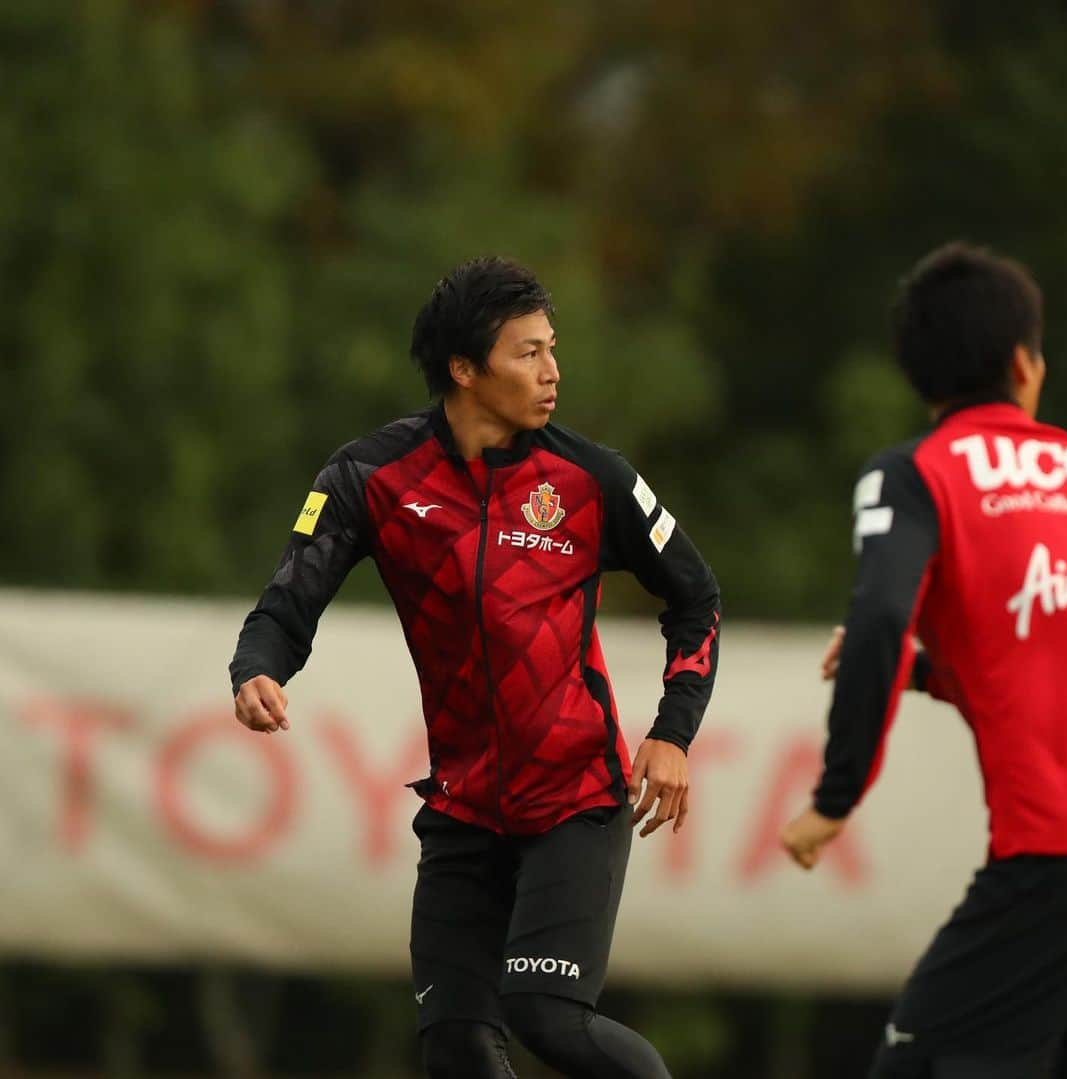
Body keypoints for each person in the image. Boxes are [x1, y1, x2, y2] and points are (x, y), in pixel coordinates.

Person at [229, 257, 721, 1079]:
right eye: (528, 353)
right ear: (464, 368)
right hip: (464, 808)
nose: (553, 370)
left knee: (547, 1015)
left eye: (551, 348)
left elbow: (697, 599)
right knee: (456, 1047)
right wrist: (256, 670)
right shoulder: (368, 478)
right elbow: (287, 600)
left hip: (575, 802)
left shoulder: (594, 479)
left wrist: (673, 732)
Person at [780, 242, 1067, 1078]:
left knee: (917, 1062)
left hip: (1055, 860)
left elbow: (879, 615)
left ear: (919, 374)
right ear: (1025, 362)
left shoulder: (915, 474)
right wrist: (924, 672)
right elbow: (1048, 652)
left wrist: (836, 795)